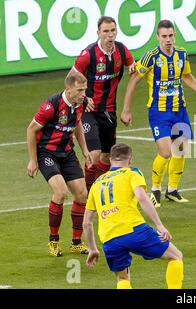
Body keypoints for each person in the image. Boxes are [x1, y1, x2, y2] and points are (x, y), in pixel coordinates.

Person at [120, 19, 196, 207]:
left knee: (179, 150)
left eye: (170, 35)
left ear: (174, 35)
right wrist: (126, 109)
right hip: (158, 112)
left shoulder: (181, 54)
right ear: (157, 37)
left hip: (179, 110)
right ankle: (154, 190)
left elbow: (186, 75)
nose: (168, 40)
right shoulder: (151, 57)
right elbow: (133, 81)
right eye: (164, 36)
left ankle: (172, 190)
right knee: (165, 152)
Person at [83, 143, 184, 289]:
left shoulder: (96, 184)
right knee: (175, 256)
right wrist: (159, 225)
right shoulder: (132, 173)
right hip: (134, 230)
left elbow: (87, 222)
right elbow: (142, 198)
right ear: (129, 160)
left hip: (109, 239)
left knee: (122, 278)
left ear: (110, 160)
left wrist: (92, 248)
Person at [26, 71, 93, 257]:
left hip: (67, 152)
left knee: (82, 194)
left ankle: (76, 242)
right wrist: (33, 160)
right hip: (47, 153)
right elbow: (31, 130)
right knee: (60, 192)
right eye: (79, 90)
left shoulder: (82, 103)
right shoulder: (51, 106)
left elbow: (77, 124)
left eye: (84, 90)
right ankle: (53, 241)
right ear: (68, 89)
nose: (83, 94)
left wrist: (85, 150)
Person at [71, 16, 136, 193]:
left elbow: (134, 72)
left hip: (109, 111)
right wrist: (83, 97)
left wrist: (126, 109)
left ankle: (99, 189)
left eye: (113, 31)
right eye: (106, 31)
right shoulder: (89, 54)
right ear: (98, 33)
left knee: (107, 157)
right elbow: (70, 79)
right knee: (94, 153)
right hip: (88, 110)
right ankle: (87, 192)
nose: (110, 35)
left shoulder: (122, 51)